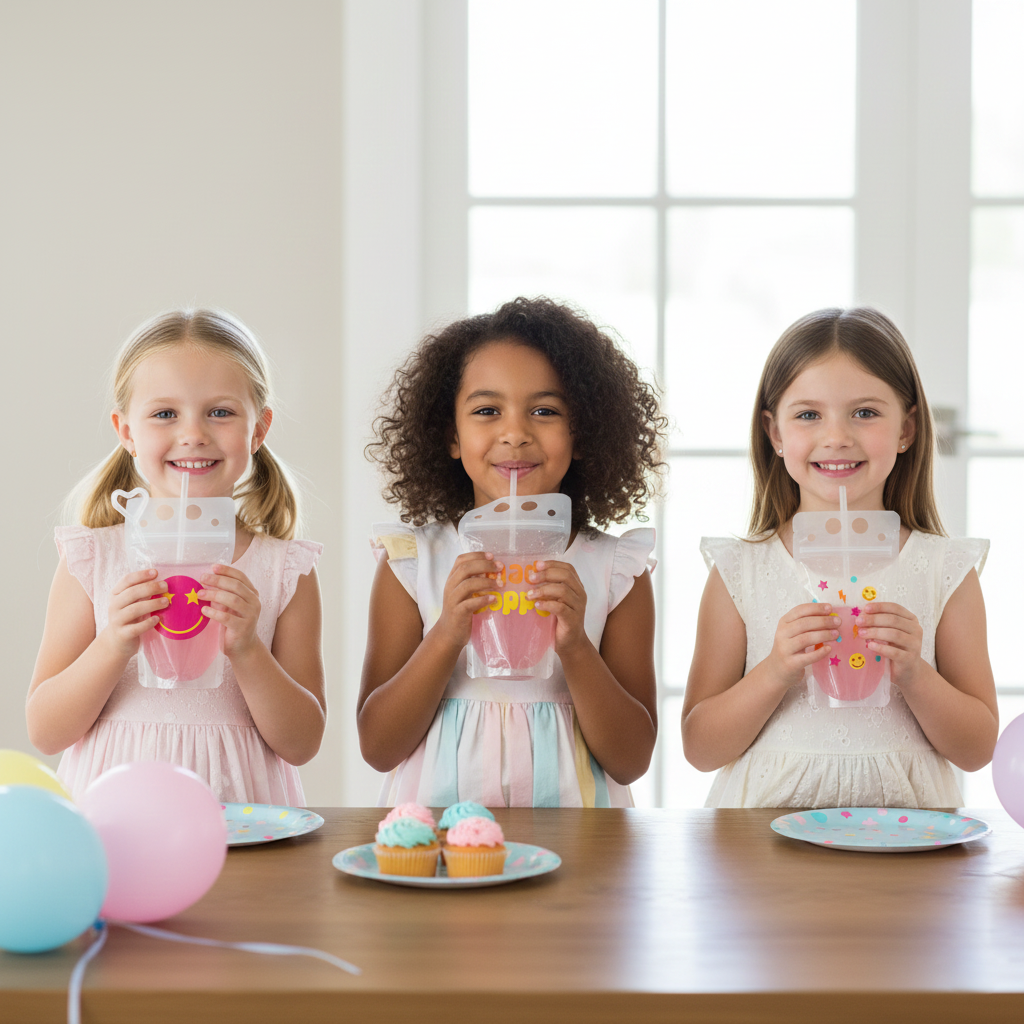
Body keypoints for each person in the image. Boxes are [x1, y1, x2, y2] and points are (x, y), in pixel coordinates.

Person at [683, 307, 997, 808]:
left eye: (865, 412)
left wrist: (915, 671)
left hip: (907, 844)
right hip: (764, 843)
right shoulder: (742, 572)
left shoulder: (944, 570)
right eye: (808, 414)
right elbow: (700, 747)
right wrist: (775, 671)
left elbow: (978, 748)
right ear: (775, 433)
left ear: (907, 429)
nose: (837, 436)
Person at [361, 297, 666, 807]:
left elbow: (632, 759)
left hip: (580, 846)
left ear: (582, 432)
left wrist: (575, 647)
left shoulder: (615, 571)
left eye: (545, 411)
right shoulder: (413, 564)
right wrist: (446, 636)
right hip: (439, 845)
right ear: (451, 436)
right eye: (486, 411)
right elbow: (378, 745)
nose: (515, 433)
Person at [27, 309, 325, 803]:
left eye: (220, 412)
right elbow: (46, 730)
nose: (193, 434)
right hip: (114, 824)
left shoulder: (283, 570)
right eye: (165, 413)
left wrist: (248, 649)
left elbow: (302, 742)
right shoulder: (93, 558)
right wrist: (113, 644)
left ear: (259, 429)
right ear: (126, 431)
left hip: (244, 820)